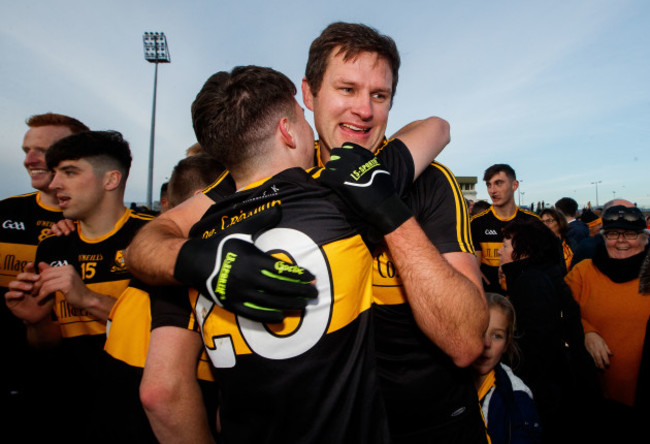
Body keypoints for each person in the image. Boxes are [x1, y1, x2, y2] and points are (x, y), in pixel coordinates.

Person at [126, 22, 488, 443]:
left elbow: (466, 342)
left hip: (432, 426)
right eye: (347, 89)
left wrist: (391, 216)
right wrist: (197, 260)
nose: (364, 110)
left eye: (379, 95)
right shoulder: (267, 178)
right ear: (309, 95)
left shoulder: (426, 179)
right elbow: (150, 240)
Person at [4, 130, 153, 439]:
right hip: (64, 412)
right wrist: (37, 321)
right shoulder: (52, 246)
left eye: (69, 172)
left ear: (110, 180)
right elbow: (46, 344)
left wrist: (88, 299)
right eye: (56, 172)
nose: (55, 184)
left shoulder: (150, 239)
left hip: (134, 413)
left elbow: (164, 334)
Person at [0, 112, 89, 441]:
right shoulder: (6, 213)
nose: (29, 159)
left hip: (73, 392)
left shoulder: (100, 228)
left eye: (42, 150)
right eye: (26, 150)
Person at [498, 218, 600, 443]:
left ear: (523, 252)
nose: (498, 251)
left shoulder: (531, 282)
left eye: (505, 246)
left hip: (549, 396)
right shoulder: (540, 275)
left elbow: (536, 349)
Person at [565, 204, 649, 440]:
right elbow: (558, 311)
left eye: (630, 234)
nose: (620, 241)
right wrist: (586, 331)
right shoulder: (584, 272)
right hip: (593, 400)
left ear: (644, 239)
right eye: (612, 234)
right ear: (603, 238)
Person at [473, 292, 542, 444]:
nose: (487, 343)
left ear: (507, 343)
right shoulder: (449, 381)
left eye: (497, 335)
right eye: (480, 331)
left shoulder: (516, 399)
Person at [471, 163, 539, 294]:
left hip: (524, 295)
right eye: (489, 185)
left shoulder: (532, 222)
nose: (492, 190)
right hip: (490, 298)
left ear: (514, 185)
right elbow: (473, 267)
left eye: (498, 183)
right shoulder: (476, 223)